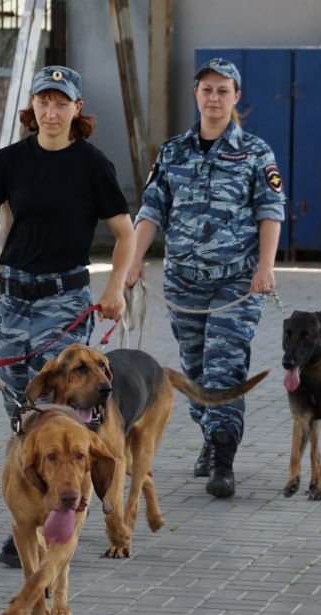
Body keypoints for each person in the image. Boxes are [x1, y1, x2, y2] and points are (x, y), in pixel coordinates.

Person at [0, 65, 135, 566]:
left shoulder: (92, 165)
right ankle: (33, 515)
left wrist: (115, 288)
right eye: (43, 101)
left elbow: (127, 233)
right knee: (21, 411)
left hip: (65, 302)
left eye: (61, 102)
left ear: (76, 110)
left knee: (61, 412)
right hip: (14, 299)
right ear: (33, 108)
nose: (51, 111)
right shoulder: (10, 161)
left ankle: (56, 521)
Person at [127, 58, 286, 499]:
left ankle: (223, 453)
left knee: (223, 367)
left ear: (236, 97)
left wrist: (266, 267)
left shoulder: (256, 153)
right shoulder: (173, 151)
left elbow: (270, 211)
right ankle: (211, 433)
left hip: (236, 284)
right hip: (184, 284)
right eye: (206, 90)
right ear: (196, 95)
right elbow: (152, 209)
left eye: (222, 90)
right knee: (195, 371)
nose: (213, 98)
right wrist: (133, 261)